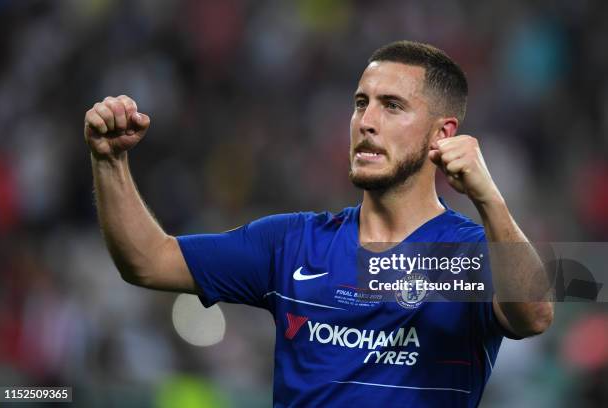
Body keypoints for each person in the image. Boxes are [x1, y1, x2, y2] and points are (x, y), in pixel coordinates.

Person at [84, 40, 554, 407]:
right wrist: (108, 162)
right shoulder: (292, 243)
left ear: (442, 133)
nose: (365, 121)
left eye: (391, 105)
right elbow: (147, 262)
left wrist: (487, 197)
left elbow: (535, 315)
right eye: (359, 102)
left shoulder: (467, 255)